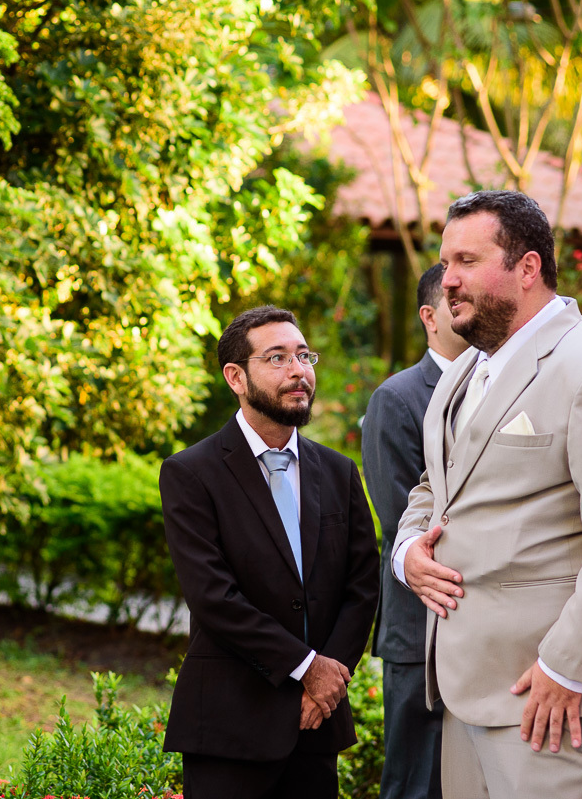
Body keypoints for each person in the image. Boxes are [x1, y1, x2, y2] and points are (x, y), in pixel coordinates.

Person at [393, 190, 582, 799]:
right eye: (445, 263)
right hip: (469, 686)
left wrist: (564, 667)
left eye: (466, 262)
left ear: (527, 268)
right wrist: (407, 554)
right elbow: (435, 484)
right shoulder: (471, 369)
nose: (446, 281)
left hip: (555, 696)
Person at [160, 305, 380, 799]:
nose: (299, 371)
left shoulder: (338, 471)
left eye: (304, 356)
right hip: (230, 728)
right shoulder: (191, 474)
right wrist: (307, 668)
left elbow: (363, 585)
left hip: (316, 725)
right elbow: (213, 597)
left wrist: (330, 682)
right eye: (277, 358)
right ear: (236, 377)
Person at [362, 262, 470, 799]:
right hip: (418, 625)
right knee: (415, 782)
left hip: (481, 628)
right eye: (452, 300)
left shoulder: (499, 387)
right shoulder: (397, 398)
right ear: (429, 316)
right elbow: (399, 513)